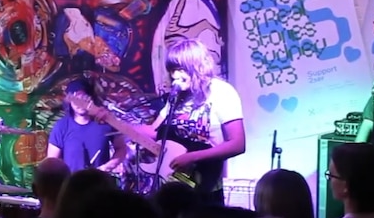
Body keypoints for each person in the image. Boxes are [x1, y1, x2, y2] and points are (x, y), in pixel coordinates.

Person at [136, 38, 245, 203]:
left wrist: (192, 157)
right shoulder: (176, 97)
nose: (174, 76)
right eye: (171, 70)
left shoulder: (221, 92)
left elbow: (237, 144)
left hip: (206, 187)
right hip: (174, 188)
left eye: (179, 69)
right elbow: (154, 131)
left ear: (196, 66)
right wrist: (114, 121)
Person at [47, 79, 127, 173]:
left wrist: (106, 167)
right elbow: (51, 162)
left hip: (100, 184)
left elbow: (121, 148)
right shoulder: (61, 126)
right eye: (76, 100)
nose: (80, 104)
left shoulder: (105, 122)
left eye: (84, 98)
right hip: (73, 184)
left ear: (91, 99)